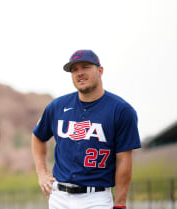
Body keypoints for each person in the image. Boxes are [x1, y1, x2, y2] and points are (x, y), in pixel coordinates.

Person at [31, 49, 141, 209]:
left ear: (100, 70)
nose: (79, 73)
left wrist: (120, 203)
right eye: (74, 69)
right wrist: (41, 173)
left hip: (96, 198)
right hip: (59, 197)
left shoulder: (121, 110)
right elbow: (38, 137)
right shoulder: (57, 106)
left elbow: (124, 159)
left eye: (85, 67)